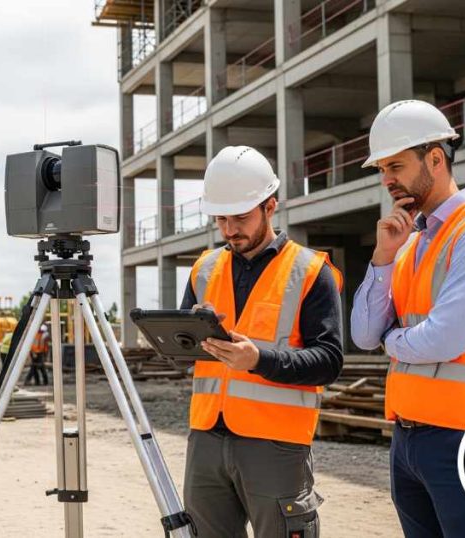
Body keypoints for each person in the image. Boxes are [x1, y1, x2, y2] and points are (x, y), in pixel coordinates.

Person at [351, 100, 465, 537]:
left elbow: (443, 340)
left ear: (435, 158)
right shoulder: (410, 243)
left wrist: (391, 341)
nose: (387, 179)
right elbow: (362, 333)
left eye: (396, 165)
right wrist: (382, 259)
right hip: (408, 439)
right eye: (382, 170)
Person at [181, 146, 344, 537]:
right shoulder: (204, 268)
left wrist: (258, 359)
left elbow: (328, 360)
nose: (230, 229)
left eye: (240, 217)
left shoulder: (311, 271)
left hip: (276, 443)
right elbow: (184, 352)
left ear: (270, 206)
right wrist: (185, 336)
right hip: (205, 438)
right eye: (221, 219)